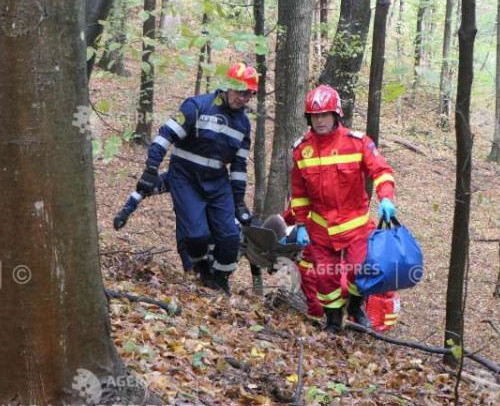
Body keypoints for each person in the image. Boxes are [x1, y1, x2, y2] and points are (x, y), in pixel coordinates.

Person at [118, 63, 258, 295]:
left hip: (218, 182)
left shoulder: (243, 124)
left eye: (248, 94)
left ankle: (221, 279)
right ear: (226, 87)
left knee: (230, 237)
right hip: (185, 178)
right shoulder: (197, 106)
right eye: (239, 91)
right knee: (195, 235)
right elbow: (166, 135)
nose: (242, 98)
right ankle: (202, 269)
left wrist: (239, 201)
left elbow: (239, 167)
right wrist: (151, 168)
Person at [290, 85, 397, 334]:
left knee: (362, 271)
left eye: (324, 115)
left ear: (336, 114)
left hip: (355, 225)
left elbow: (381, 171)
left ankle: (357, 307)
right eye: (314, 116)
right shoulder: (301, 150)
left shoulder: (357, 143)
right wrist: (302, 224)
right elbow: (299, 193)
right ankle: (334, 321)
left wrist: (386, 199)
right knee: (326, 280)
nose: (319, 121)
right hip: (320, 228)